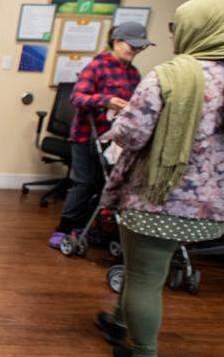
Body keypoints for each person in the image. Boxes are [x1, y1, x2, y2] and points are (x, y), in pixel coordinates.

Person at [95, 0, 224, 357]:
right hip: (217, 210)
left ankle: (145, 356)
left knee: (144, 275)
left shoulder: (167, 76)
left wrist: (113, 126)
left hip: (157, 197)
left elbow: (132, 136)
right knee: (151, 268)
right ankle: (118, 319)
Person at [49, 22, 151, 250]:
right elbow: (77, 98)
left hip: (114, 141)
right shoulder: (97, 67)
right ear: (116, 41)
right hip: (87, 137)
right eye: (131, 45)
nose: (134, 51)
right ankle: (64, 228)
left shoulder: (134, 74)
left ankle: (84, 227)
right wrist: (106, 100)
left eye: (139, 48)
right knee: (83, 183)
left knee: (102, 185)